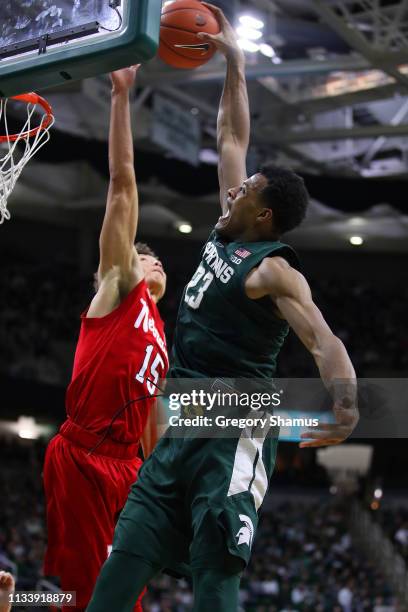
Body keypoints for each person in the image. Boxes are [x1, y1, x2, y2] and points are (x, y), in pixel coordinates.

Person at [87, 5, 358, 611]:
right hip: (184, 420)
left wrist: (344, 398)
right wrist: (235, 61)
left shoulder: (273, 269)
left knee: (215, 578)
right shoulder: (225, 231)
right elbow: (232, 136)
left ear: (263, 216)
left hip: (235, 428)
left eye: (246, 189)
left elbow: (322, 338)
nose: (233, 186)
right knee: (123, 563)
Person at [43, 65, 168, 612]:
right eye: (144, 253)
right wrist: (121, 96)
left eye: (158, 255)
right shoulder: (119, 291)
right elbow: (122, 186)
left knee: (126, 591)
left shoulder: (161, 332)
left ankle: (19, 600)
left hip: (128, 467)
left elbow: (151, 418)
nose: (154, 257)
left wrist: (162, 481)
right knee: (87, 594)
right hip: (84, 456)